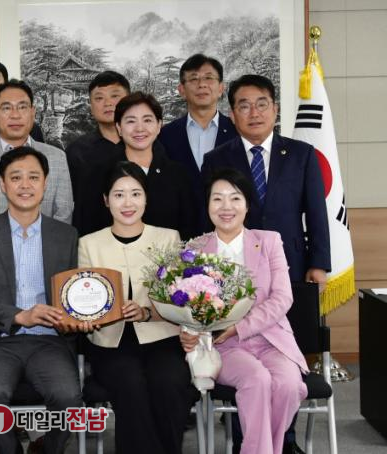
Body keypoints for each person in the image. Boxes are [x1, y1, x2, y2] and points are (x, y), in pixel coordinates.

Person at [0, 147, 82, 454]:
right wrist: (20, 316)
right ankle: (9, 448)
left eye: (33, 177)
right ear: (2, 184)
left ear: (45, 183)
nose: (25, 185)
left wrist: (77, 317)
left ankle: (46, 448)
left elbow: (76, 296)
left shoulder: (66, 235)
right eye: (16, 178)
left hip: (51, 341)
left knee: (69, 398)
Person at [180, 167, 309, 454]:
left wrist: (240, 326)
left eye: (235, 198)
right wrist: (187, 331)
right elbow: (185, 303)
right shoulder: (195, 249)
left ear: (247, 204)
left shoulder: (269, 241)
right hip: (223, 345)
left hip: (271, 339)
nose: (226, 207)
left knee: (289, 385)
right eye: (217, 199)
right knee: (257, 380)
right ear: (208, 205)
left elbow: (282, 298)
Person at [77, 161, 196, 454]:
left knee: (169, 382)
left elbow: (179, 300)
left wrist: (146, 312)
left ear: (146, 197)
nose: (127, 203)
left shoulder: (169, 238)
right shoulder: (88, 244)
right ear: (106, 200)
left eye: (135, 194)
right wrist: (86, 318)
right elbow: (83, 300)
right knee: (130, 384)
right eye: (118, 195)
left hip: (162, 337)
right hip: (111, 343)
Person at [201, 74, 331, 290]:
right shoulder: (216, 159)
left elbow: (316, 211)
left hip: (292, 263)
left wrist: (319, 264)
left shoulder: (302, 154)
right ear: (232, 115)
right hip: (233, 267)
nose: (254, 113)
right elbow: (207, 217)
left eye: (262, 104)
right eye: (244, 106)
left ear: (275, 109)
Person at [0, 79, 73, 232]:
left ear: (33, 113)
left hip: (46, 246)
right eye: (6, 108)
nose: (15, 115)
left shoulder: (57, 158)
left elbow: (64, 213)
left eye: (22, 107)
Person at [159, 54, 238, 226]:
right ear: (181, 90)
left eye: (209, 78)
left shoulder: (237, 132)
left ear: (221, 88)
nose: (202, 84)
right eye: (194, 79)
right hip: (178, 230)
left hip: (228, 228)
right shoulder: (165, 135)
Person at [113, 92, 198, 240]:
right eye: (131, 121)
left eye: (147, 120)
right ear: (119, 128)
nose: (140, 128)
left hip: (170, 254)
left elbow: (189, 231)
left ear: (159, 126)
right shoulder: (101, 172)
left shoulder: (178, 174)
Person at [65, 71, 131, 236]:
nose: (108, 103)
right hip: (90, 241)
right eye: (99, 98)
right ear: (91, 106)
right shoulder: (76, 151)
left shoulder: (147, 146)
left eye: (115, 96)